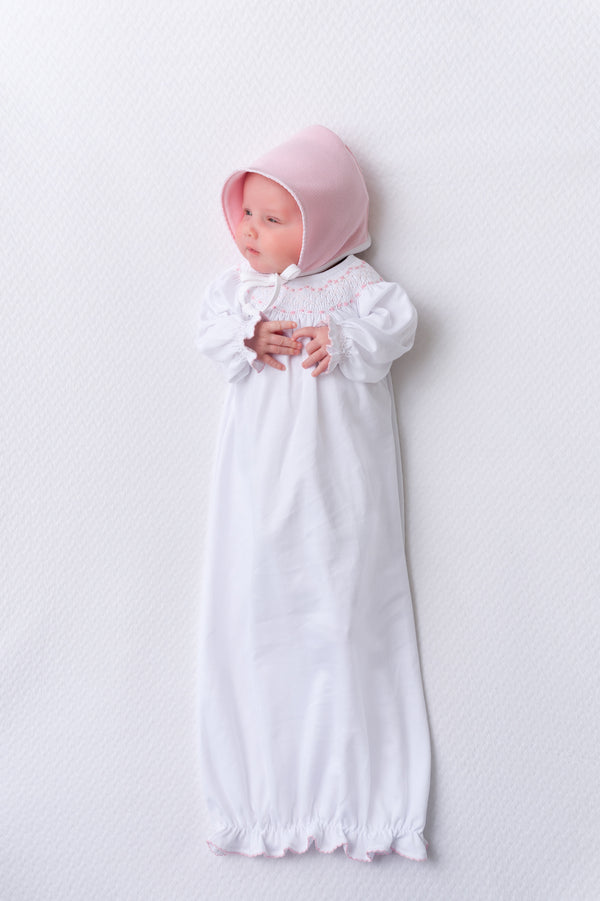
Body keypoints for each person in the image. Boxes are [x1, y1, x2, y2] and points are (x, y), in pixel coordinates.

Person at [196, 125, 431, 862]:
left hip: (340, 479)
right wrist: (248, 336)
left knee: (351, 613)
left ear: (325, 224)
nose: (249, 231)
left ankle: (370, 805)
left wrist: (346, 339)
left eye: (273, 218)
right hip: (259, 479)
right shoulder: (242, 293)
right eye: (246, 213)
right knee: (250, 610)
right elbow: (210, 332)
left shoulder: (357, 288)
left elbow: (398, 324)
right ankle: (257, 803)